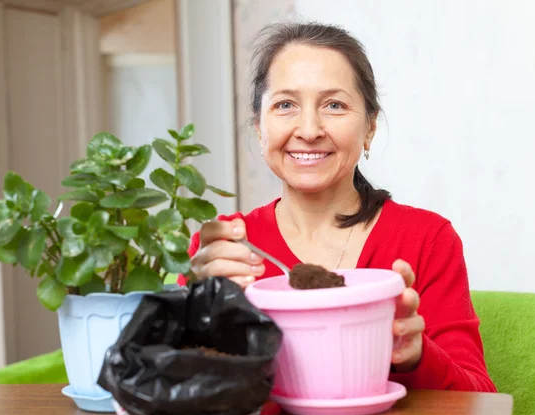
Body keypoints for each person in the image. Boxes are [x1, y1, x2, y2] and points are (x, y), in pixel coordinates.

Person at [179, 22, 496, 392]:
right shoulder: (224, 249)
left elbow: (480, 404)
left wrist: (416, 354)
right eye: (285, 105)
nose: (309, 129)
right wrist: (198, 313)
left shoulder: (427, 239)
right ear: (258, 127)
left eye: (334, 105)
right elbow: (175, 392)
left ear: (370, 127)